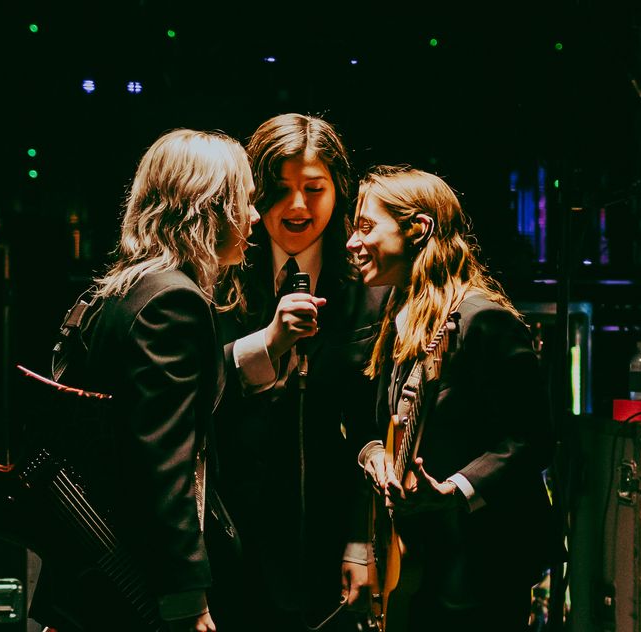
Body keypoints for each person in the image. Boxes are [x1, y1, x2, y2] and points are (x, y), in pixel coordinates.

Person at [28, 128, 260, 632]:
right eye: (245, 200)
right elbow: (162, 460)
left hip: (93, 569)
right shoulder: (174, 301)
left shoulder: (124, 289)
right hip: (138, 583)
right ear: (210, 207)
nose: (255, 216)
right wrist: (186, 594)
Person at [347, 165, 554, 631]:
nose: (351, 243)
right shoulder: (393, 312)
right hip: (418, 560)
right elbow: (368, 420)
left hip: (483, 560)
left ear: (418, 229)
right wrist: (374, 453)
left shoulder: (484, 320)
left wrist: (457, 491)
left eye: (365, 227)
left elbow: (532, 439)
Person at [210, 113, 389, 631]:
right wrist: (266, 343)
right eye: (280, 189)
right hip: (233, 529)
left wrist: (362, 537)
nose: (297, 206)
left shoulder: (369, 285)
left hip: (329, 533)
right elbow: (196, 394)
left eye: (315, 189)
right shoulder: (221, 272)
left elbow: (373, 424)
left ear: (339, 193)